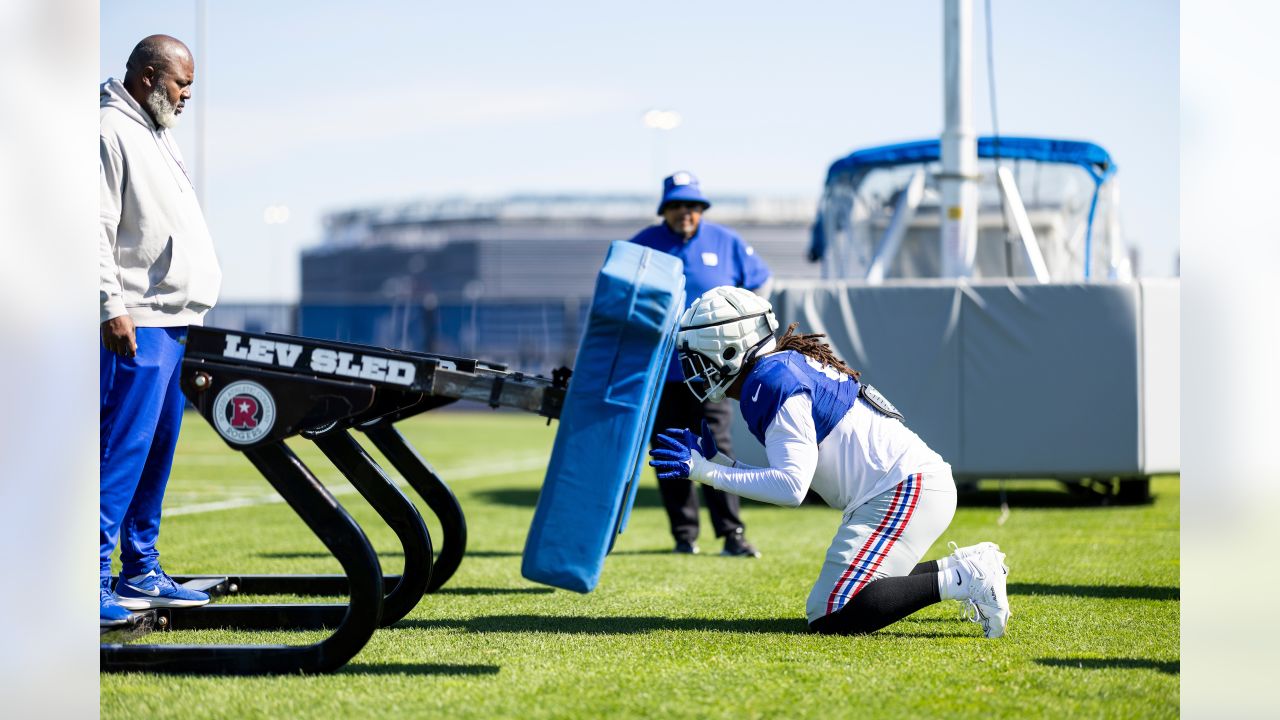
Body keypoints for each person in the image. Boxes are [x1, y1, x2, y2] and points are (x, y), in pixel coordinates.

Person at [648, 287, 1012, 637]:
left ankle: (965, 576)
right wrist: (719, 463)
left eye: (700, 356)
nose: (695, 369)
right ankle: (966, 569)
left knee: (831, 612)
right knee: (836, 601)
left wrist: (703, 470)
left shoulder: (769, 382)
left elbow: (791, 487)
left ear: (729, 348)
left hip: (900, 488)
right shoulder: (778, 369)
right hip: (901, 486)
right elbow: (789, 478)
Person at [99, 35, 222, 626]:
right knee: (117, 452)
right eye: (181, 84)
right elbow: (91, 226)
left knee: (155, 452)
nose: (187, 95)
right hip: (137, 319)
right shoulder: (107, 129)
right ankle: (86, 579)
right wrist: (107, 304)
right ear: (149, 76)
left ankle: (138, 569)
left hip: (175, 321)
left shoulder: (156, 133)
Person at [628, 172, 772, 557]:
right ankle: (683, 536)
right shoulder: (643, 244)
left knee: (716, 447)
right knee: (669, 449)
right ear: (665, 210)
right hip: (661, 372)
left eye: (691, 206)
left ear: (701, 209)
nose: (684, 213)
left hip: (712, 373)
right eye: (676, 206)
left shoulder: (726, 242)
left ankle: (732, 534)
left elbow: (760, 285)